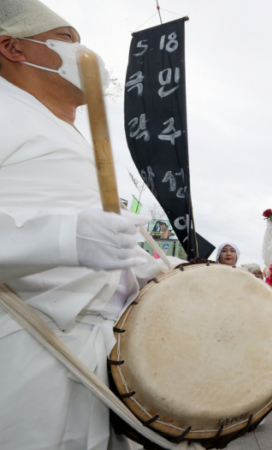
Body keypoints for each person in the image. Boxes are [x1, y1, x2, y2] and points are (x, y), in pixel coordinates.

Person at [0, 2, 181, 448]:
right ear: (12, 47)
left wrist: (150, 271)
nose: (84, 50)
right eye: (66, 38)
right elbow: (68, 233)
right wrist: (61, 239)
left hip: (103, 351)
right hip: (30, 346)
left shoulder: (58, 127)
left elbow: (96, 237)